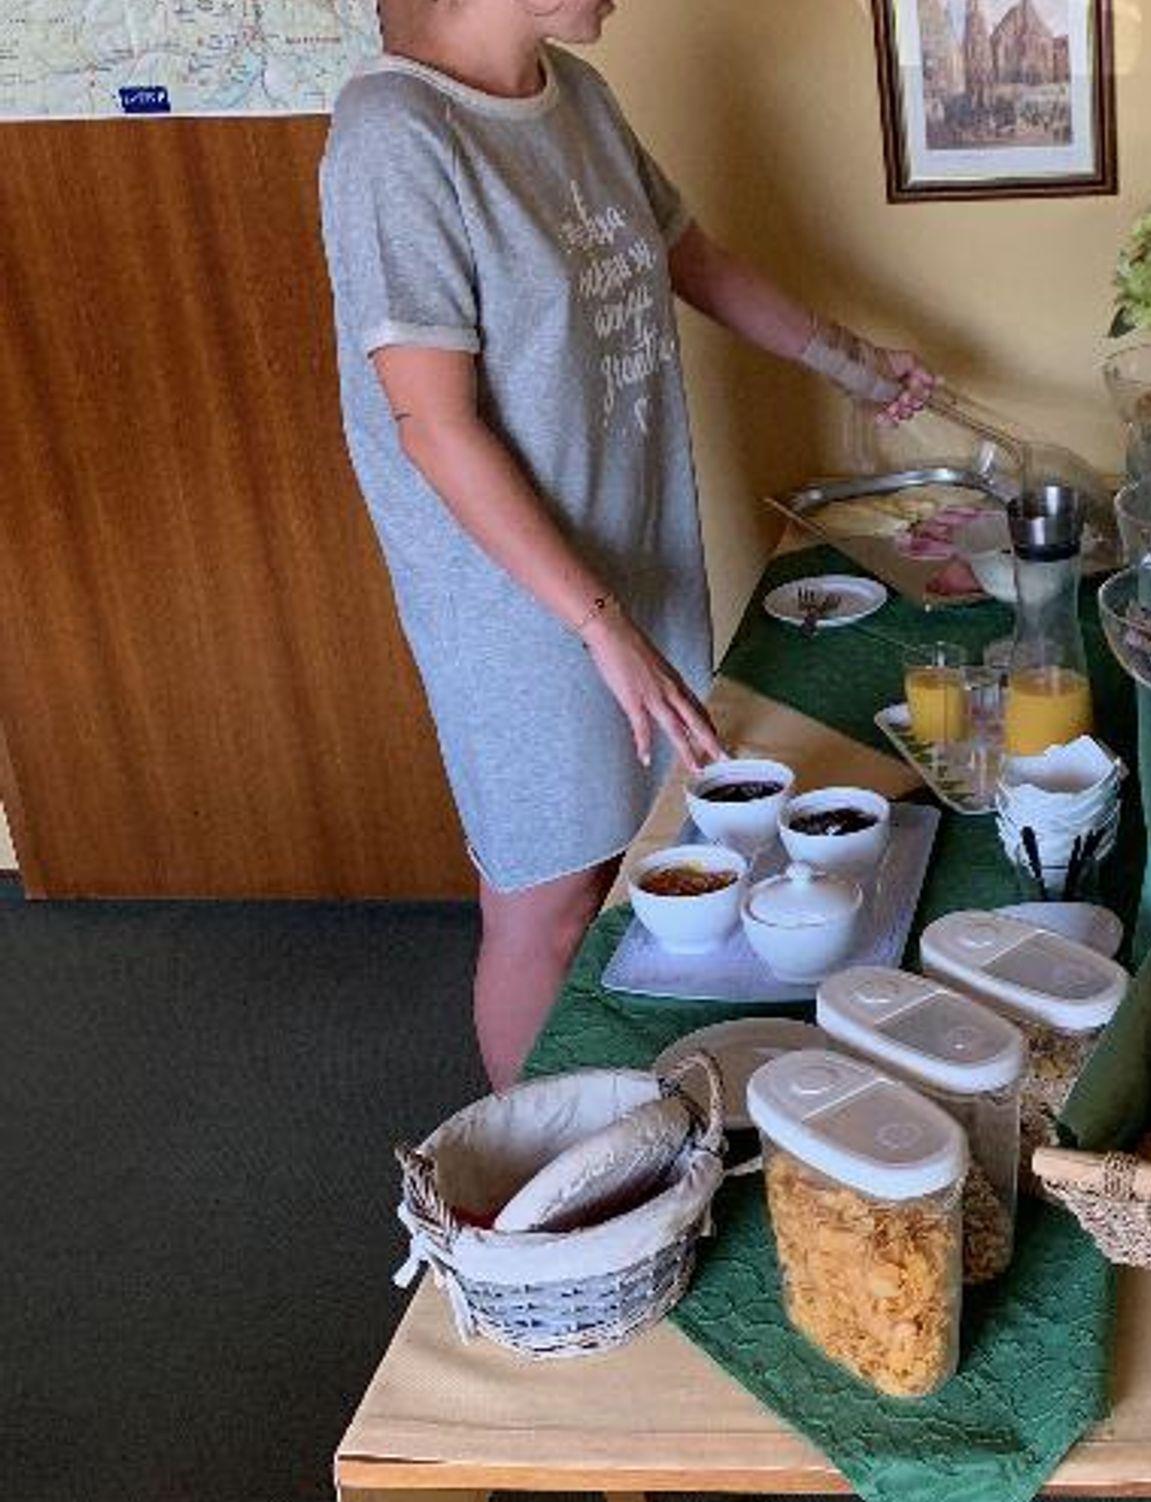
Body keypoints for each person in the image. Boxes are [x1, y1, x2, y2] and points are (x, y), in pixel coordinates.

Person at [319, 0, 933, 1088]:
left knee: (634, 862)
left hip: (634, 556)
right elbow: (433, 426)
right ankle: (532, 1175)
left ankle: (625, 1122)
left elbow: (694, 261)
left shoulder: (578, 96)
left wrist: (855, 365)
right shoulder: (395, 135)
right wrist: (598, 624)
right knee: (547, 900)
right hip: (520, 597)